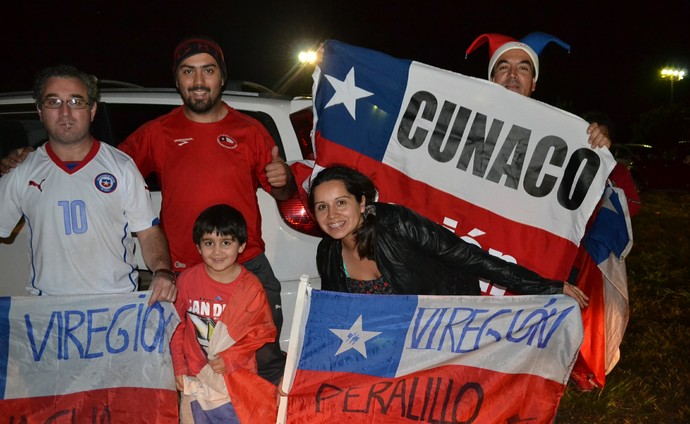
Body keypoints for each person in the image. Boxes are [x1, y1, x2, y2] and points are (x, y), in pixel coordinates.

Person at [1, 37, 290, 384]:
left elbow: (282, 191)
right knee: (190, 368)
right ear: (177, 78)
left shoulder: (250, 130)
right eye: (188, 71)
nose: (198, 81)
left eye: (208, 70)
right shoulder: (157, 132)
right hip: (187, 273)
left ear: (221, 77)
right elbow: (95, 163)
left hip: (247, 268)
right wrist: (26, 160)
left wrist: (283, 179)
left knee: (263, 362)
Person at [0, 64, 176, 305]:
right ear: (40, 111)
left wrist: (163, 272)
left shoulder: (121, 166)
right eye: (53, 102)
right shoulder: (21, 170)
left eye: (75, 102)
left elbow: (148, 233)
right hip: (48, 310)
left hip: (116, 305)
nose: (65, 113)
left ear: (92, 110)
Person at [308, 165, 589, 307]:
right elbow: (337, 312)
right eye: (322, 207)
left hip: (445, 325)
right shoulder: (327, 254)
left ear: (361, 202)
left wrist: (546, 287)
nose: (332, 215)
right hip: (387, 340)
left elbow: (469, 258)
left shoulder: (396, 223)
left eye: (341, 202)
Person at [171, 204, 276, 423]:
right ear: (198, 247)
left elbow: (262, 331)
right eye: (209, 243)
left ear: (241, 246)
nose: (217, 251)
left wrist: (230, 359)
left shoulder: (250, 288)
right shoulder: (187, 281)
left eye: (226, 243)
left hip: (235, 380)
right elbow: (175, 327)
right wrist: (179, 369)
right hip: (195, 379)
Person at [465, 32, 612, 149]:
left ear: (533, 84)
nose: (512, 74)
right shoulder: (463, 121)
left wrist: (595, 147)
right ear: (492, 79)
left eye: (523, 68)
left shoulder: (554, 135)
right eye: (504, 67)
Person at [583, 111, 641, 217]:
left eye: (603, 136)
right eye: (593, 135)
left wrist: (609, 186)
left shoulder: (619, 171)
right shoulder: (571, 165)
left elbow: (634, 207)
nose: (598, 140)